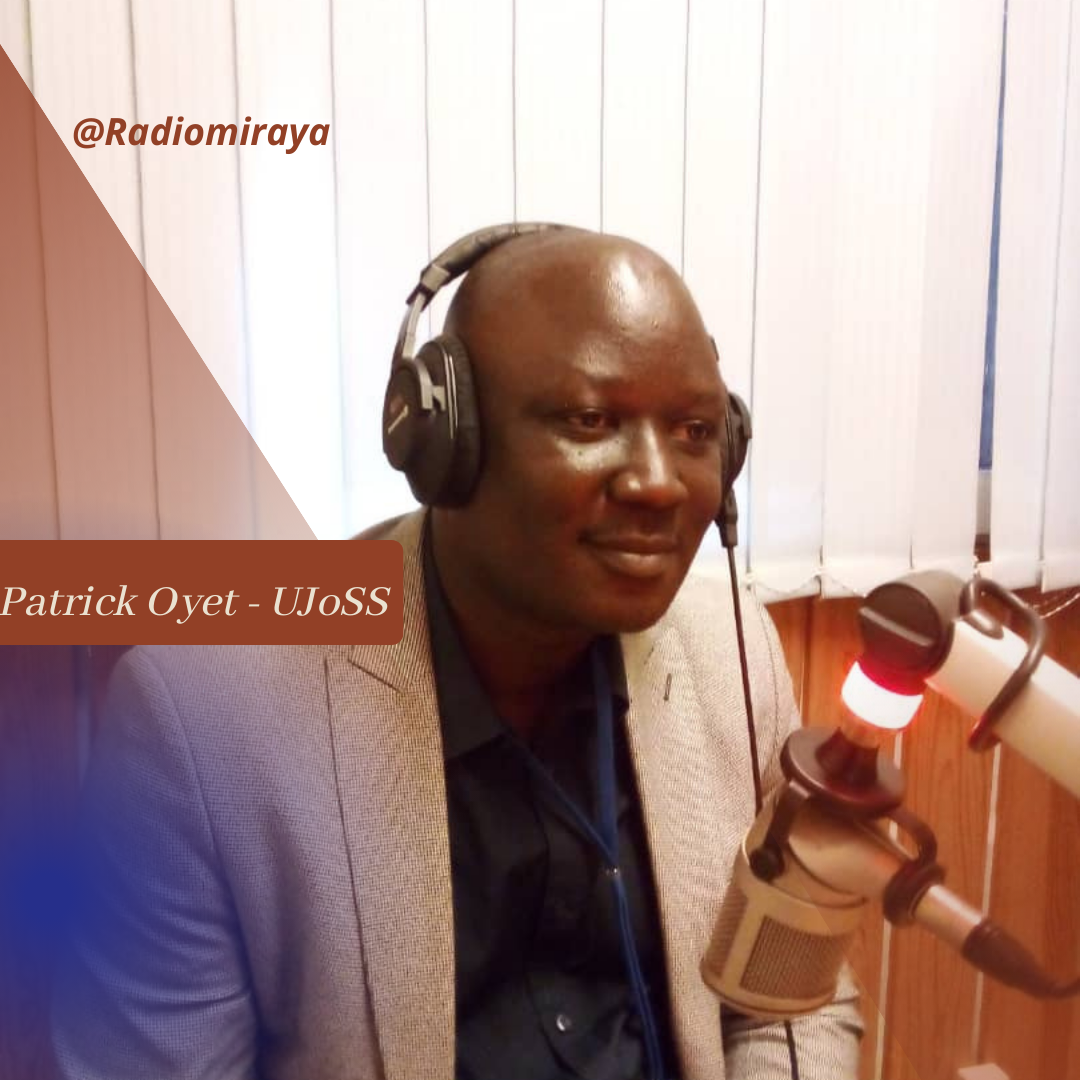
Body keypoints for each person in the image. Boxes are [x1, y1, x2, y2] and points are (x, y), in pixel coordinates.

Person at [53, 227, 862, 1079]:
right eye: (591, 420)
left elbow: (793, 1003)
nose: (659, 482)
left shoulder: (730, 650)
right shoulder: (204, 715)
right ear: (444, 441)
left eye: (694, 430)